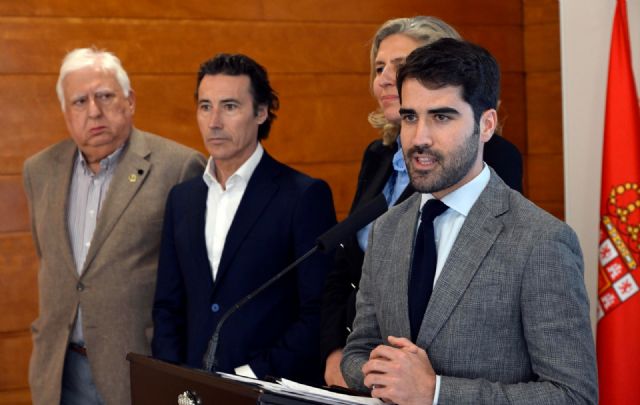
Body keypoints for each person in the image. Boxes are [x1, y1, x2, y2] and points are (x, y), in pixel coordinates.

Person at [341, 38, 597, 404]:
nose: (419, 137)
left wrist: (436, 392)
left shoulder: (541, 241)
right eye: (410, 117)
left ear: (486, 124)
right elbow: (358, 351)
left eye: (441, 117)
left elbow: (573, 396)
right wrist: (382, 374)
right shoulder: (386, 228)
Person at [321, 16, 523, 387]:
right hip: (368, 367)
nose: (385, 78)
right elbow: (347, 262)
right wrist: (339, 353)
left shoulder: (496, 163)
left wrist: (432, 389)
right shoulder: (378, 156)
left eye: (399, 66)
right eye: (379, 67)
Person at [22, 48, 205, 405]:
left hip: (137, 370)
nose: (94, 111)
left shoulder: (179, 168)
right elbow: (53, 264)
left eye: (105, 96)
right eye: (79, 101)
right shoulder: (39, 171)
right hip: (59, 373)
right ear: (66, 112)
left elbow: (195, 286)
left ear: (130, 101)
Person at [151, 53, 337, 384]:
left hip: (265, 388)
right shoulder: (182, 198)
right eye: (205, 106)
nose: (214, 121)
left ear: (261, 112)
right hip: (191, 390)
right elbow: (168, 306)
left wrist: (250, 376)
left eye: (230, 106)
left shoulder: (303, 196)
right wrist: (174, 376)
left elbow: (318, 311)